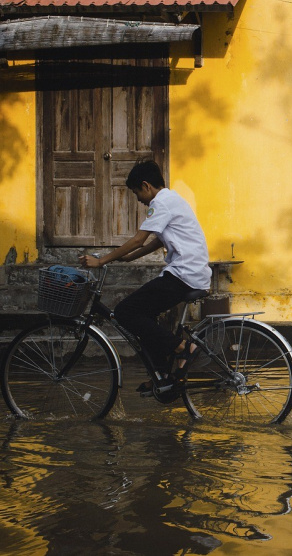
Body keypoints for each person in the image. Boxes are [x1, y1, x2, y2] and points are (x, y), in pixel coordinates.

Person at [81, 160, 211, 401]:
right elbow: (157, 241)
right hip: (190, 272)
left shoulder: (160, 203)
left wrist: (102, 261)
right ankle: (162, 374)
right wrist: (129, 258)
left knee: (125, 311)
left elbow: (139, 239)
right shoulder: (172, 199)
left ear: (146, 186)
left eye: (136, 193)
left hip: (184, 274)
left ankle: (184, 348)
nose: (138, 199)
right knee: (145, 315)